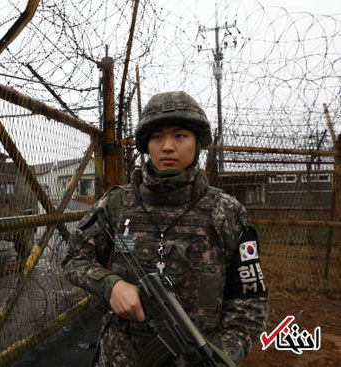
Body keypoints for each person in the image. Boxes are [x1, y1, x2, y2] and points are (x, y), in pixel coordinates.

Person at [62, 91, 269, 366]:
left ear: (197, 142)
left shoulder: (227, 212)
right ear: (147, 145)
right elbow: (74, 259)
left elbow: (249, 301)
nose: (168, 146)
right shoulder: (117, 204)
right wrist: (112, 286)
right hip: (120, 357)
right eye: (157, 137)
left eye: (180, 136)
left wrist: (223, 356)